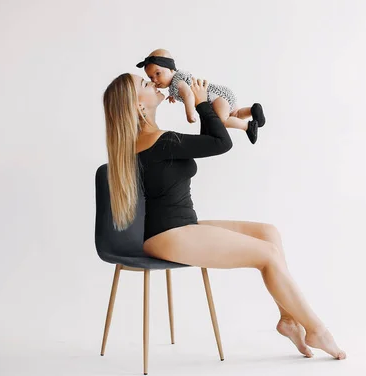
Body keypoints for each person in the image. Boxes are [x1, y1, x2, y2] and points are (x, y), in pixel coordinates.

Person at [102, 72, 346, 360]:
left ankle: (289, 320)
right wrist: (203, 103)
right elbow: (220, 143)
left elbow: (210, 139)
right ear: (139, 107)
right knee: (267, 254)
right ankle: (316, 329)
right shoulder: (161, 140)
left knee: (268, 233)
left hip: (179, 227)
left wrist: (198, 106)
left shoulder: (152, 140)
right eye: (145, 84)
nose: (154, 82)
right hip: (168, 235)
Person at [136, 48, 265, 144]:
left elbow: (188, 95)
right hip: (222, 94)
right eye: (151, 77)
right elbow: (182, 92)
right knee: (235, 114)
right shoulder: (175, 84)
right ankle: (252, 110)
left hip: (215, 97)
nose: (154, 80)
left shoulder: (177, 81)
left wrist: (189, 113)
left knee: (222, 121)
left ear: (171, 69)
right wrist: (172, 96)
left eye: (158, 74)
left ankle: (248, 126)